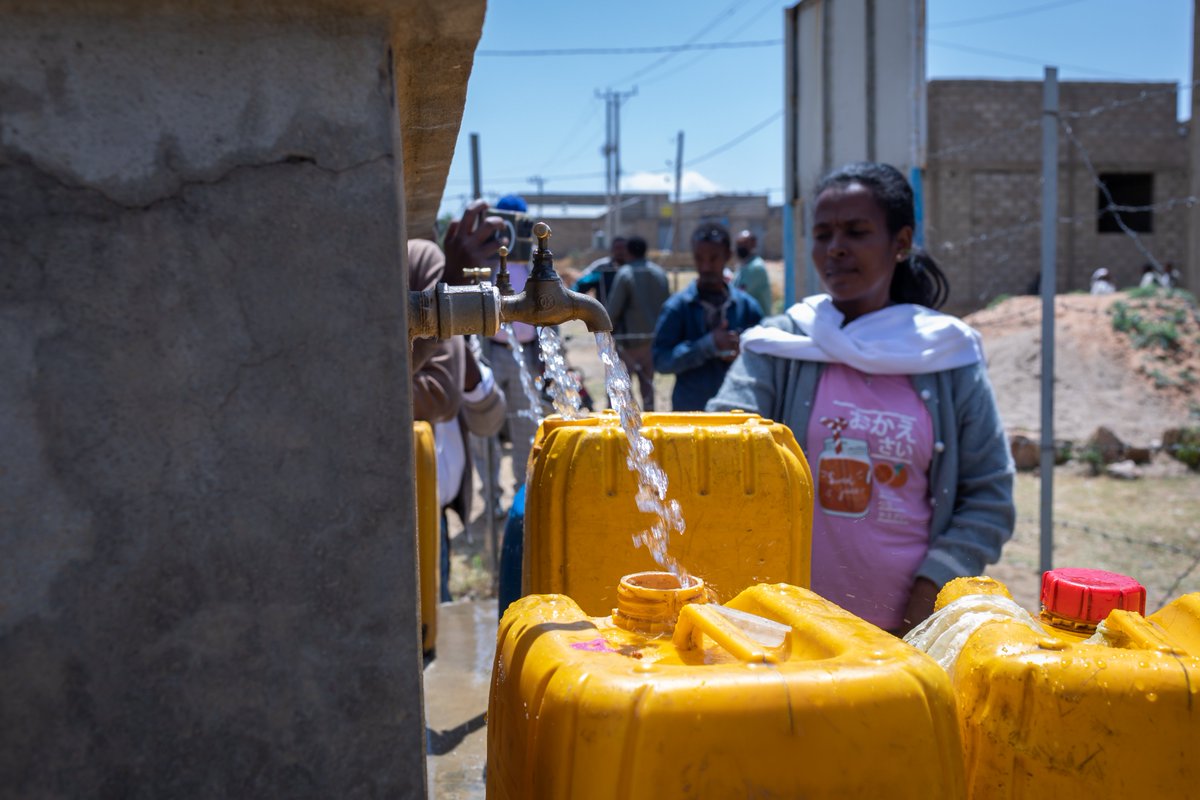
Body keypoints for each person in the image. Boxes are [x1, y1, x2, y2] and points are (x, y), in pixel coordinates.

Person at [706, 162, 1014, 636]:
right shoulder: (781, 345)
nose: (836, 249)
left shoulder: (946, 356)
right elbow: (722, 438)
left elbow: (988, 495)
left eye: (856, 231)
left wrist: (928, 593)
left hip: (911, 632)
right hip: (786, 629)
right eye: (823, 234)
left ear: (901, 242)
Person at [409, 231, 507, 601]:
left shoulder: (457, 349)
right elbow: (439, 398)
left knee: (436, 614)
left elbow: (489, 420)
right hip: (407, 515)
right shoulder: (423, 260)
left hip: (436, 519)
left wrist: (466, 368)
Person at [474, 193, 546, 515]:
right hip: (491, 351)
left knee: (525, 428)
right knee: (483, 428)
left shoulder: (536, 259)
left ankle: (522, 500)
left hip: (525, 354)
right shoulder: (486, 258)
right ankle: (491, 499)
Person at [653, 222, 764, 411]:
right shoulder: (677, 307)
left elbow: (765, 361)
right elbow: (661, 361)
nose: (706, 266)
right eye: (699, 258)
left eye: (713, 258)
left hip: (737, 413)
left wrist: (742, 354)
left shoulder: (747, 308)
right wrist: (707, 345)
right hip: (690, 417)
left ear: (727, 256)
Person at [605, 236, 671, 411]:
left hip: (628, 344)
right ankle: (650, 431)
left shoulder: (625, 274)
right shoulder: (660, 273)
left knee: (622, 393)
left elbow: (613, 310)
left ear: (628, 252)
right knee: (648, 392)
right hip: (653, 342)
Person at [572, 237, 629, 306]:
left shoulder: (633, 269)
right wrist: (572, 298)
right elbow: (582, 283)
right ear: (612, 250)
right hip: (606, 311)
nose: (620, 251)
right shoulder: (602, 268)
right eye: (617, 248)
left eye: (623, 248)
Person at [733, 229, 773, 314]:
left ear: (753, 244)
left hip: (759, 322)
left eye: (744, 244)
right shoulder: (744, 266)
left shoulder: (756, 267)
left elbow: (738, 293)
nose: (740, 247)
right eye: (739, 244)